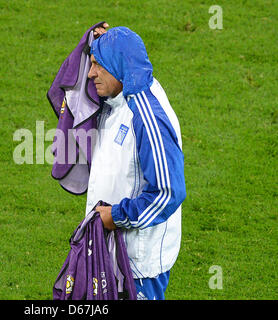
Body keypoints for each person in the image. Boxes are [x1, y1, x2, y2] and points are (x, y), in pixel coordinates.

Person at [85, 24, 186, 300]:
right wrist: (89, 40)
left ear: (118, 65)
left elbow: (168, 193)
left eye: (97, 65)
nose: (91, 73)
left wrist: (116, 216)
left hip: (138, 265)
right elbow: (68, 95)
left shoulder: (148, 118)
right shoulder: (115, 97)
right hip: (111, 255)